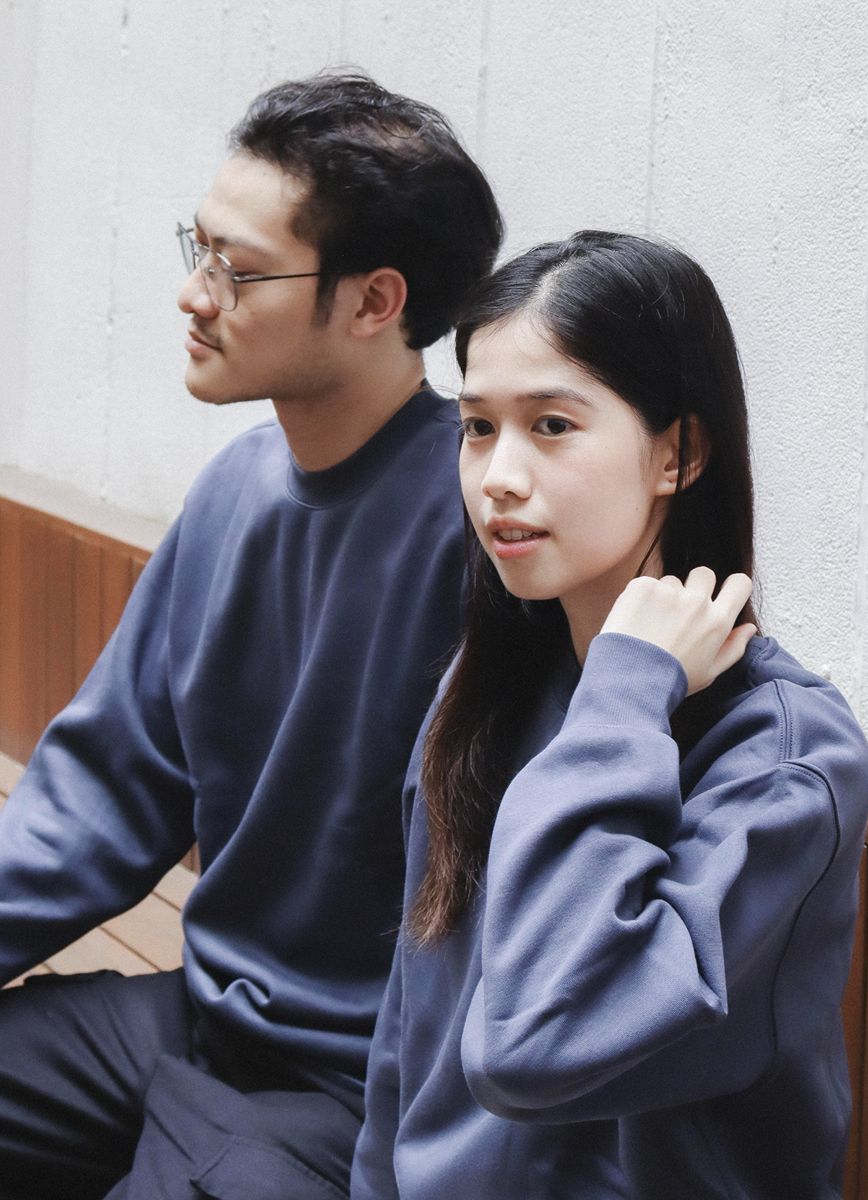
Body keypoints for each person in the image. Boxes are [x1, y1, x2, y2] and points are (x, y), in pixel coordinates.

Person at [0, 72, 502, 1199]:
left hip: (353, 1089)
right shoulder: (234, 488)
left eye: (237, 268)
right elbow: (99, 796)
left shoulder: (486, 531)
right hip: (194, 1018)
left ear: (374, 302)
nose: (194, 294)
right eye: (200, 248)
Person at [350, 230, 868, 1200]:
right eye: (477, 427)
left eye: (551, 425)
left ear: (678, 453)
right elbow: (412, 1032)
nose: (498, 475)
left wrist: (627, 690)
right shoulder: (490, 685)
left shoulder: (786, 754)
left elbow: (533, 1047)